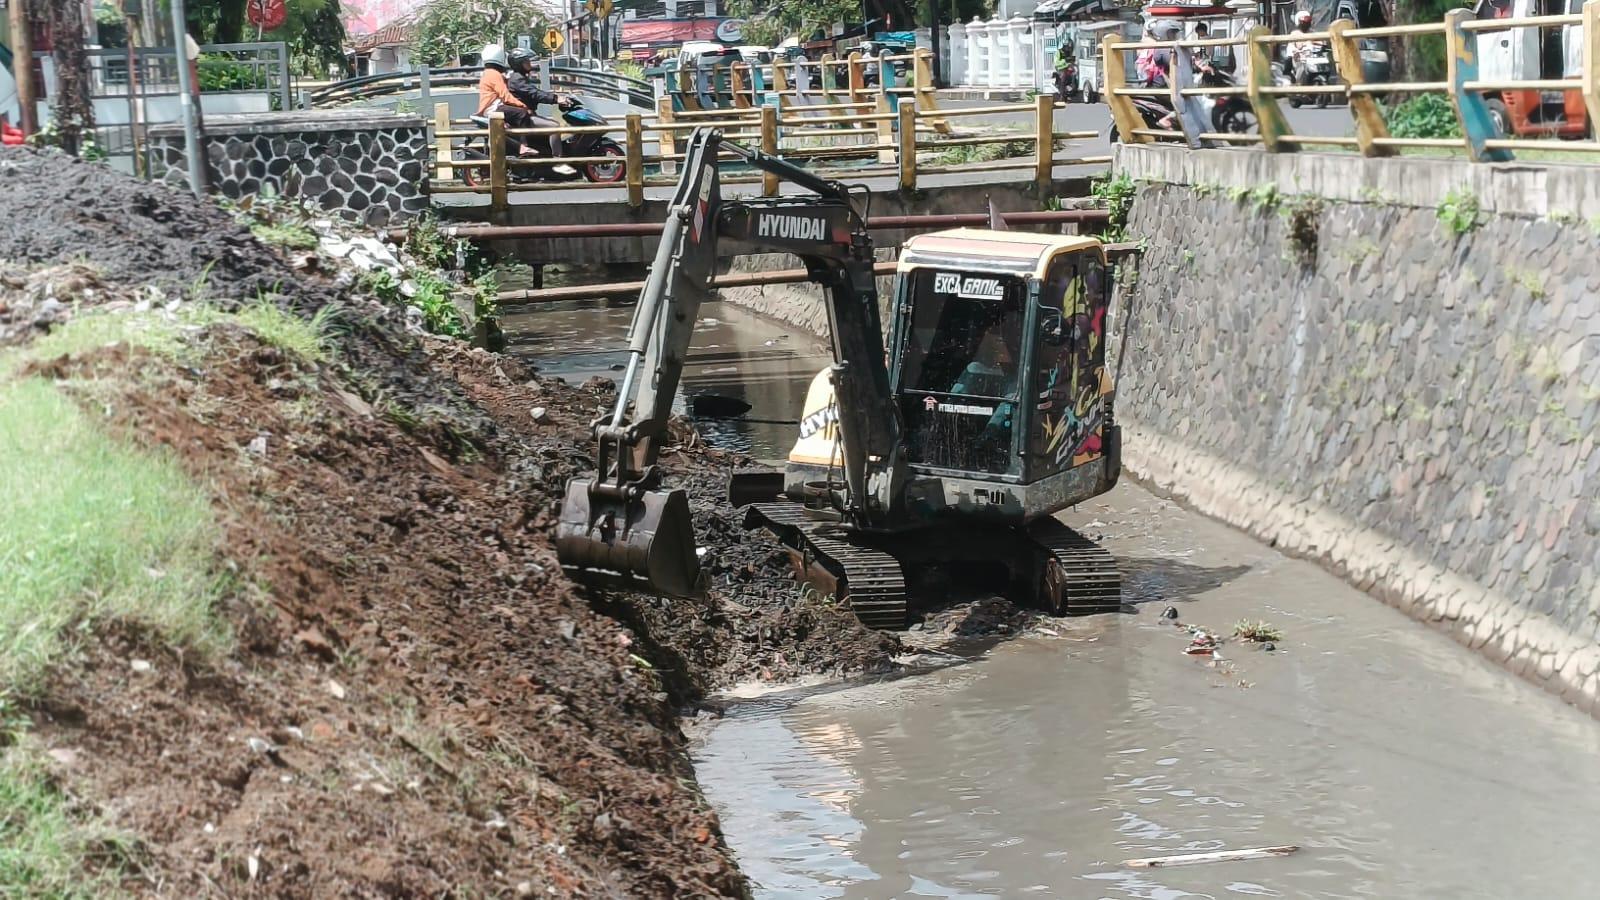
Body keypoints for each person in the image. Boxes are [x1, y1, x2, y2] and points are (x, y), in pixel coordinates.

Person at [506, 47, 577, 176]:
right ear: (519, 63)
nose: (530, 63)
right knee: (554, 126)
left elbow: (536, 93)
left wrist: (558, 97)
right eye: (526, 61)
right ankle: (558, 162)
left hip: (527, 115)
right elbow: (535, 94)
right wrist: (556, 99)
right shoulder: (517, 79)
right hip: (524, 118)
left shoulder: (520, 77)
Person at [475, 44, 539, 159]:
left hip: (492, 108)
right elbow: (505, 96)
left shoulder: (489, 73)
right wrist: (523, 106)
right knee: (522, 113)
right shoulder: (494, 74)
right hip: (493, 108)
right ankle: (523, 146)